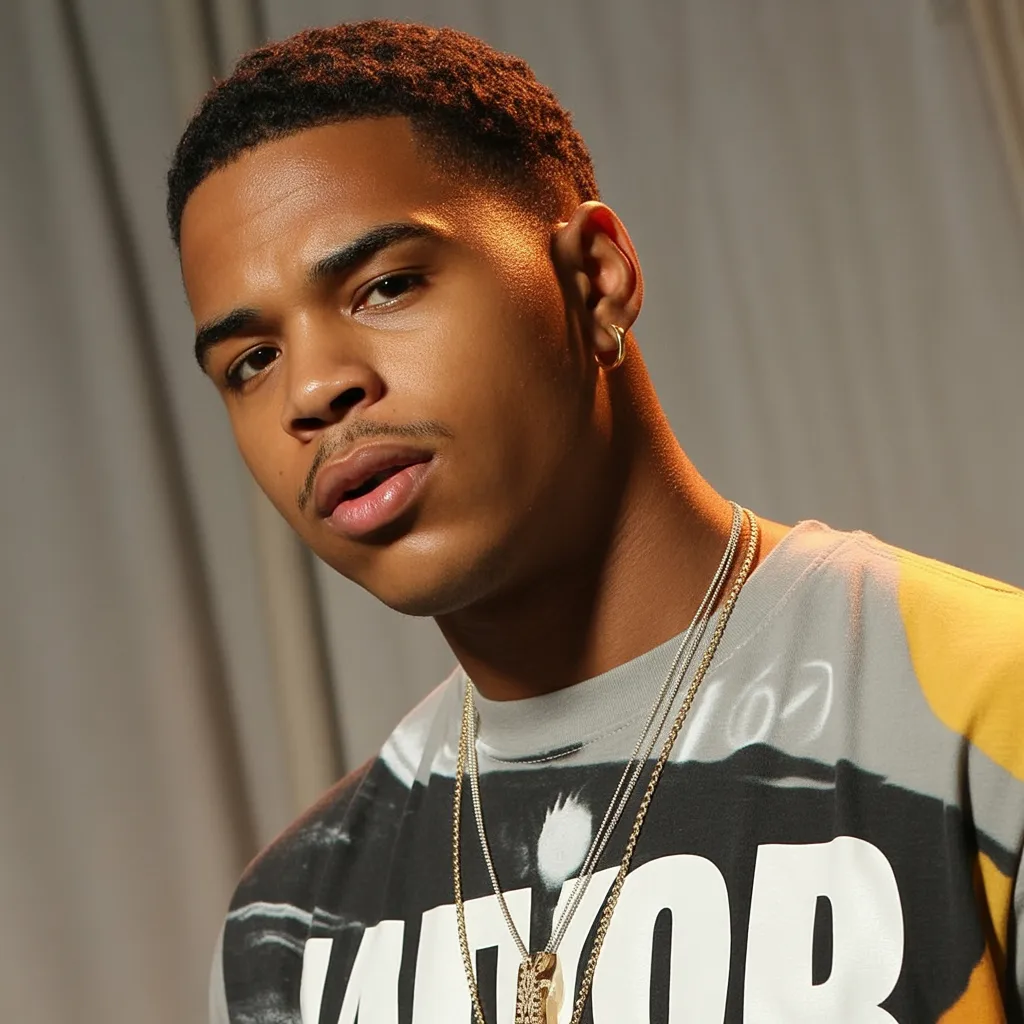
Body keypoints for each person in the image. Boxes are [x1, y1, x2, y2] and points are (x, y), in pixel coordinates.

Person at [168, 19, 1024, 1024]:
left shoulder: (983, 712)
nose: (312, 389)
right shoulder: (290, 929)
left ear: (596, 279)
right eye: (250, 362)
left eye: (386, 286)